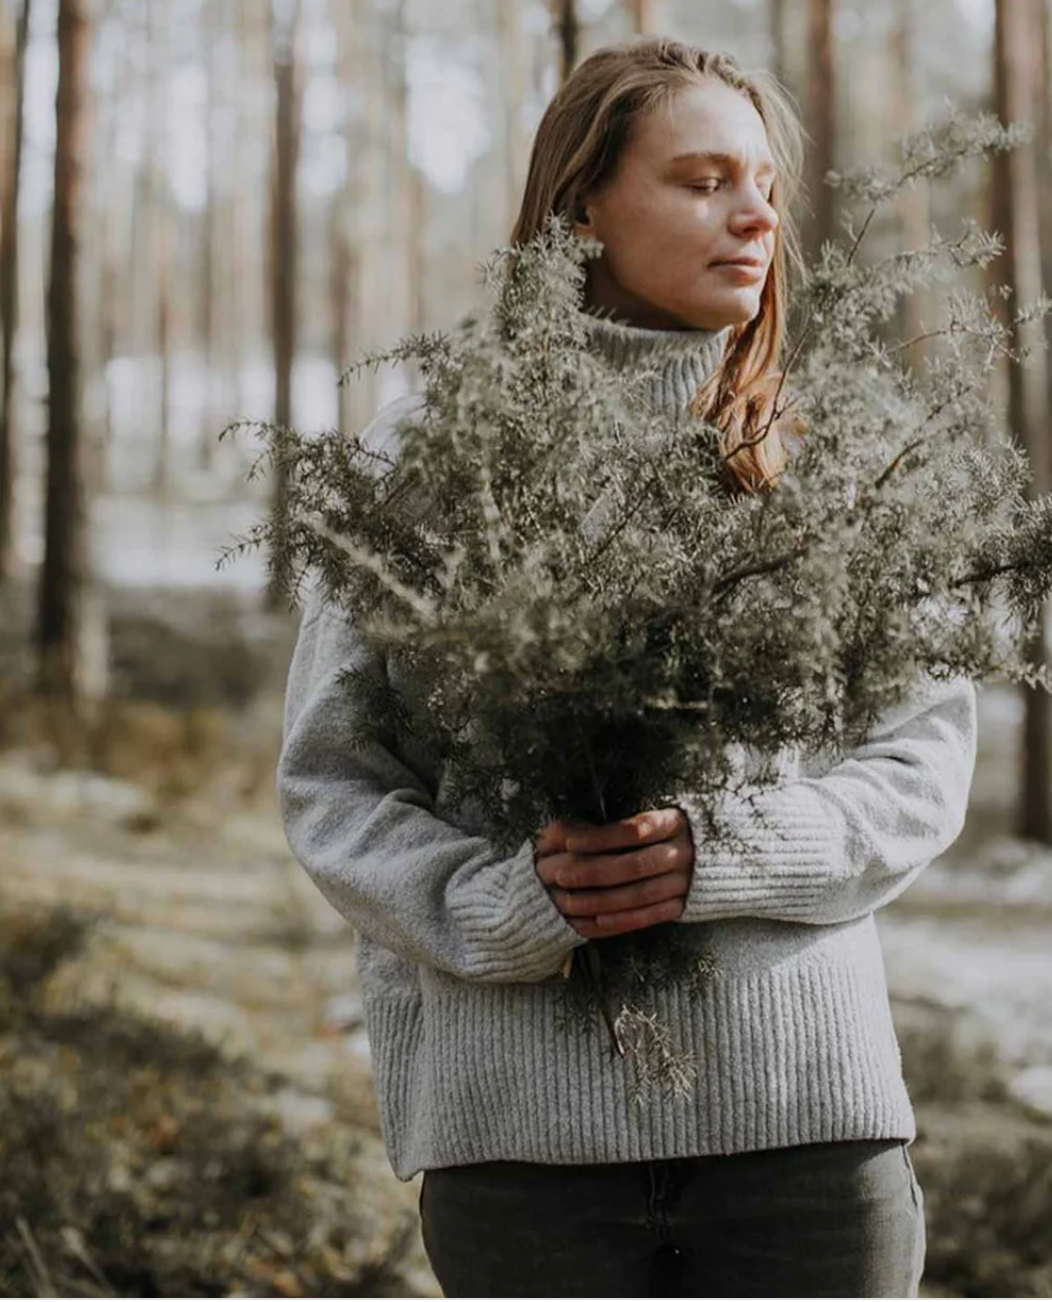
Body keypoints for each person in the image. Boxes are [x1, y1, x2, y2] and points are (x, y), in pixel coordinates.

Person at [277, 36, 977, 1299]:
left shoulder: (825, 456)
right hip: (522, 1163)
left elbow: (924, 760)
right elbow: (333, 786)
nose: (758, 213)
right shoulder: (434, 453)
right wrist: (511, 903)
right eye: (703, 180)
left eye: (763, 181)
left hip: (808, 1146)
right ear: (580, 208)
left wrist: (725, 850)